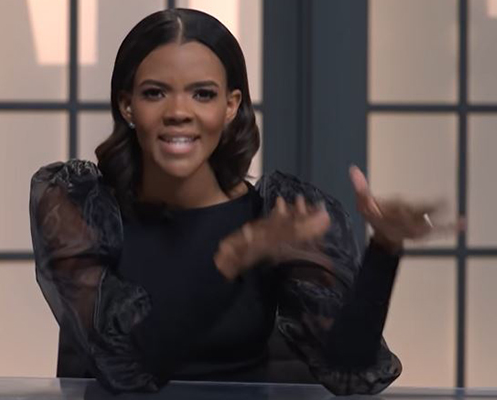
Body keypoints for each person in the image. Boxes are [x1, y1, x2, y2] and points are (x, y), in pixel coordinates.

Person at [29, 8, 441, 395]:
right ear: (127, 106)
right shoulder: (78, 207)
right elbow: (127, 365)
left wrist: (384, 250)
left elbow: (349, 370)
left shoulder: (273, 215)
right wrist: (231, 258)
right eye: (155, 93)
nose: (179, 112)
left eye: (202, 94)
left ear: (231, 106)